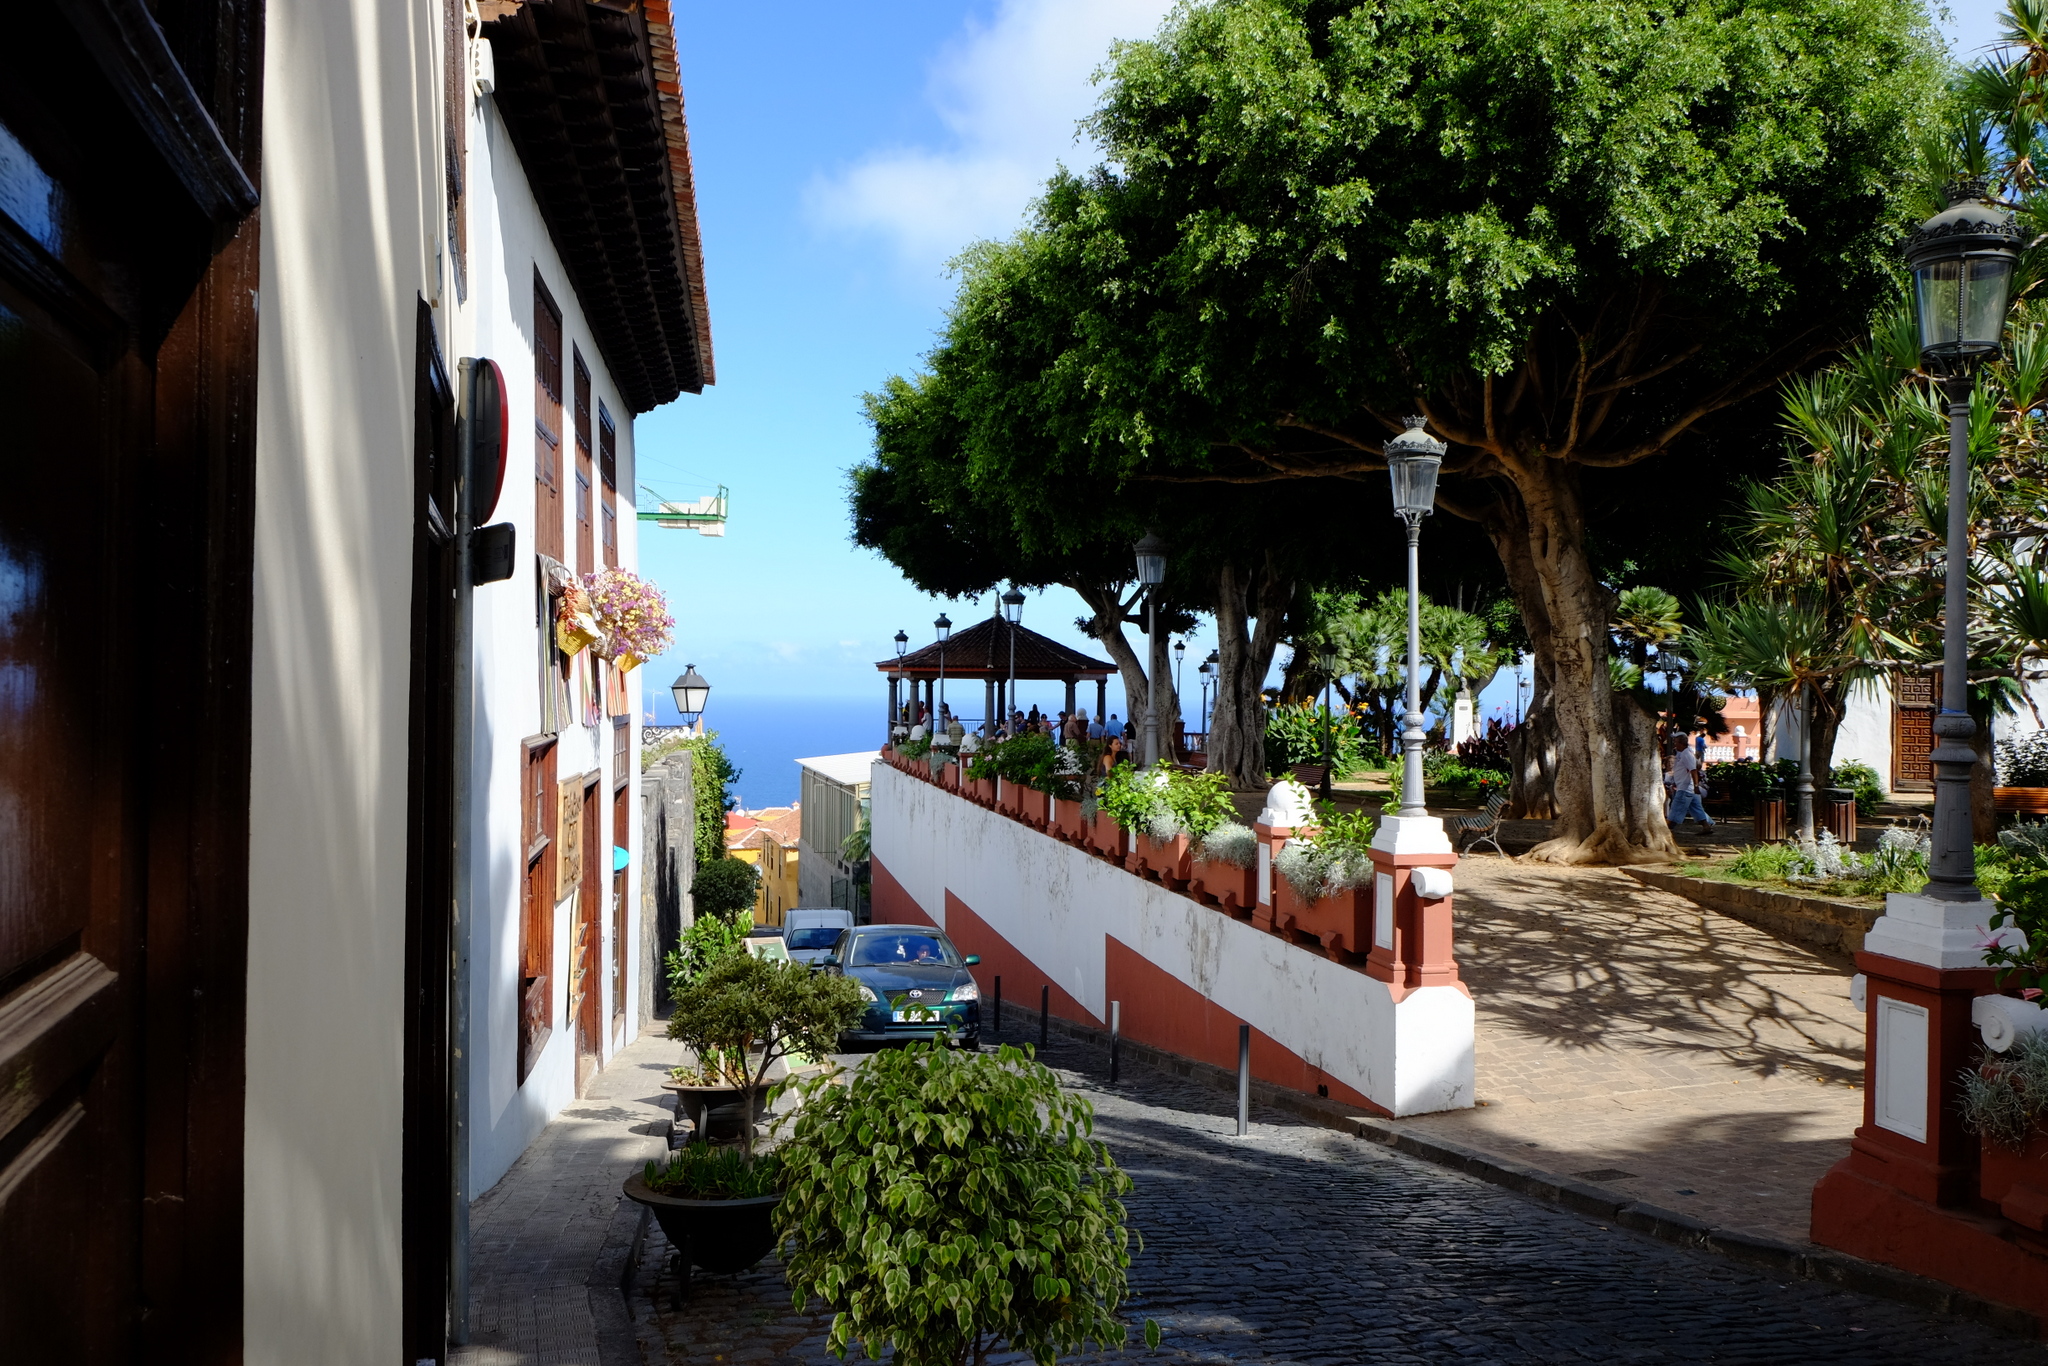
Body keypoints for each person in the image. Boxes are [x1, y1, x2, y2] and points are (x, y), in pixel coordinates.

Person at [1666, 737, 1713, 832]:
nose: (1674, 744)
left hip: (1685, 788)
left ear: (1682, 744)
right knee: (1696, 809)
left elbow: (1693, 770)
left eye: (1676, 742)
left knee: (1676, 809)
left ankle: (1667, 828)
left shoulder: (1686, 755)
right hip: (1689, 788)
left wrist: (1696, 786)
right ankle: (1706, 826)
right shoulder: (1684, 754)